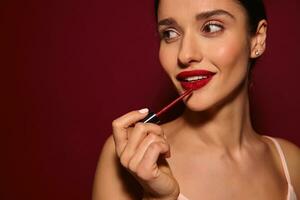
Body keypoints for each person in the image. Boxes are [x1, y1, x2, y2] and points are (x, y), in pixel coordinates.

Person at [92, 0, 300, 199]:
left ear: (257, 39)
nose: (185, 54)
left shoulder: (290, 164)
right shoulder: (129, 154)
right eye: (170, 33)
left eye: (211, 28)